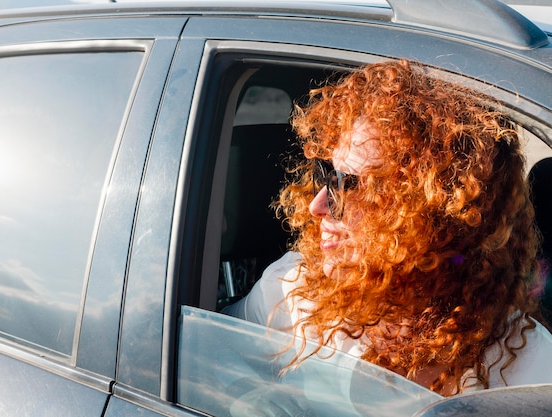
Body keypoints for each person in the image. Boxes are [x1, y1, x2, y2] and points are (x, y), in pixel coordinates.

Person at [223, 59, 552, 396]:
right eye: (325, 173)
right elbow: (210, 359)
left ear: (428, 211)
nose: (316, 205)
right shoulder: (295, 287)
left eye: (345, 183)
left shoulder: (526, 367)